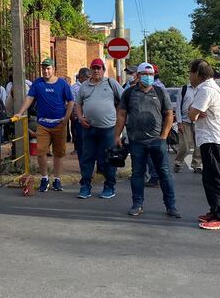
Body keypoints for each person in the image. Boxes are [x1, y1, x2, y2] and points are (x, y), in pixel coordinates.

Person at [114, 62, 179, 218]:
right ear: (138, 75)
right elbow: (122, 115)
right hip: (136, 141)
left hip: (157, 140)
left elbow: (169, 114)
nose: (148, 77)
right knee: (137, 173)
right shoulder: (129, 93)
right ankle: (137, 204)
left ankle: (171, 206)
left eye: (151, 75)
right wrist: (117, 135)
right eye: (145, 74)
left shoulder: (160, 92)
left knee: (164, 173)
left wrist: (163, 136)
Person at [14, 58, 74, 192]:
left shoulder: (62, 84)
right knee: (41, 152)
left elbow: (71, 101)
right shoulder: (37, 83)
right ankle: (45, 178)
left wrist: (66, 118)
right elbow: (29, 98)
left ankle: (57, 179)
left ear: (53, 69)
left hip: (59, 123)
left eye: (48, 68)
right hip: (43, 124)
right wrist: (20, 112)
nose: (45, 71)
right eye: (43, 68)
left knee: (59, 153)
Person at [187, 59, 220, 230]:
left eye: (190, 73)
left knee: (215, 177)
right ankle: (214, 211)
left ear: (198, 73)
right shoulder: (212, 88)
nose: (189, 77)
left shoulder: (206, 90)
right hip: (210, 138)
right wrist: (194, 111)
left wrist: (193, 111)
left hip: (212, 139)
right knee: (209, 177)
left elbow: (192, 114)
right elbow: (194, 112)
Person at [74, 58, 122, 199]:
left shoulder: (111, 83)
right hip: (89, 128)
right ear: (90, 70)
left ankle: (109, 186)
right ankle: (85, 186)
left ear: (103, 70)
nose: (96, 71)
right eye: (93, 68)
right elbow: (78, 104)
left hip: (108, 129)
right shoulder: (84, 86)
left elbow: (124, 99)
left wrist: (119, 116)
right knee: (87, 158)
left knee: (108, 159)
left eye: (98, 68)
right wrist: (80, 118)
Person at [174, 79, 202, 173]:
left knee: (198, 145)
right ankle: (178, 162)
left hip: (199, 121)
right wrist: (179, 122)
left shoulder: (202, 89)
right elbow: (178, 107)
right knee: (185, 145)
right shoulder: (184, 89)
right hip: (185, 121)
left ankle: (197, 164)